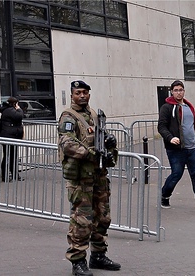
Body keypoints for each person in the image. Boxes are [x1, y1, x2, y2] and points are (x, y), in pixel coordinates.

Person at [58, 80, 120, 276]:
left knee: (103, 216)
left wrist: (110, 142)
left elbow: (101, 139)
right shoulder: (69, 117)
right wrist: (91, 154)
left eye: (85, 92)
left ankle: (98, 255)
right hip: (81, 179)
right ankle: (77, 261)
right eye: (78, 93)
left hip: (98, 176)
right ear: (72, 95)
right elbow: (67, 143)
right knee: (82, 220)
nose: (82, 96)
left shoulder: (94, 115)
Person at [157, 80, 195, 214]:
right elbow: (161, 127)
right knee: (176, 174)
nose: (178, 92)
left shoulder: (188, 106)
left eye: (180, 90)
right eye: (175, 90)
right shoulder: (167, 107)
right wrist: (171, 138)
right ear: (171, 92)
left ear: (184, 91)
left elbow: (193, 124)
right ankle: (164, 195)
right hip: (177, 150)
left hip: (193, 148)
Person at [0, 96, 24, 182]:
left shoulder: (8, 110)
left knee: (12, 156)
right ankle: (5, 176)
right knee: (8, 156)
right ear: (15, 103)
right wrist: (19, 109)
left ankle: (14, 175)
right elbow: (19, 116)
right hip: (8, 136)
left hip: (12, 136)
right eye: (17, 104)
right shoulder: (9, 110)